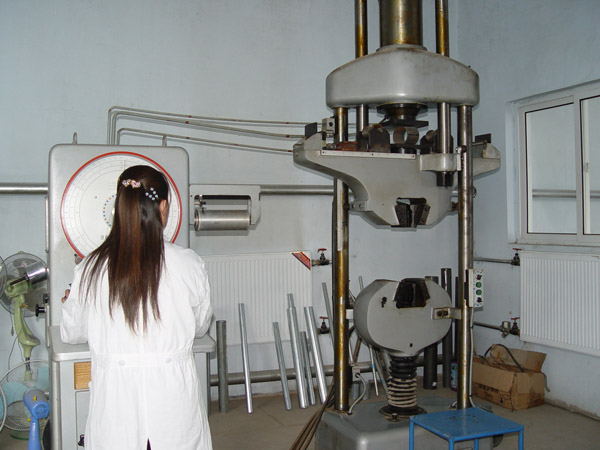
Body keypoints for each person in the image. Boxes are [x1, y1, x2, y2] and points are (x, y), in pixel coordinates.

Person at [60, 165, 213, 450]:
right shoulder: (188, 263)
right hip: (173, 406)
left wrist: (71, 304)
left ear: (120, 207)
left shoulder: (90, 268)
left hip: (116, 410)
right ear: (163, 207)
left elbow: (71, 332)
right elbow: (200, 326)